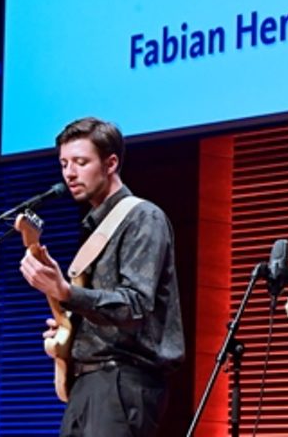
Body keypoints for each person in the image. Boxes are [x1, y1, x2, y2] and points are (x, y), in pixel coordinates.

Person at [19, 117, 185, 437]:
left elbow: (135, 306)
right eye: (64, 163)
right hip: (89, 382)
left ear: (111, 163)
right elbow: (104, 308)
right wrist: (71, 325)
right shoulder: (97, 227)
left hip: (121, 382)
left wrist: (67, 293)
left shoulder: (143, 218)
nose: (69, 173)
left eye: (81, 162)